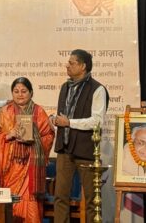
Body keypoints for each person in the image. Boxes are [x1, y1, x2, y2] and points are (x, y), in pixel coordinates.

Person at [51, 49, 108, 223]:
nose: (67, 66)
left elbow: (97, 121)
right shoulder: (65, 87)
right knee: (60, 196)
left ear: (83, 66)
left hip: (86, 150)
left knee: (91, 199)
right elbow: (65, 115)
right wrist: (55, 120)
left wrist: (69, 122)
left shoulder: (97, 89)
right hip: (64, 148)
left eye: (72, 63)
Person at [0, 77, 54, 223]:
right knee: (12, 202)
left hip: (31, 166)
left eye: (24, 91)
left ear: (31, 93)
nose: (20, 94)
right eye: (16, 91)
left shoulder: (39, 112)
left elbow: (49, 135)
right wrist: (9, 135)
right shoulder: (5, 112)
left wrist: (34, 140)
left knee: (31, 204)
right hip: (12, 167)